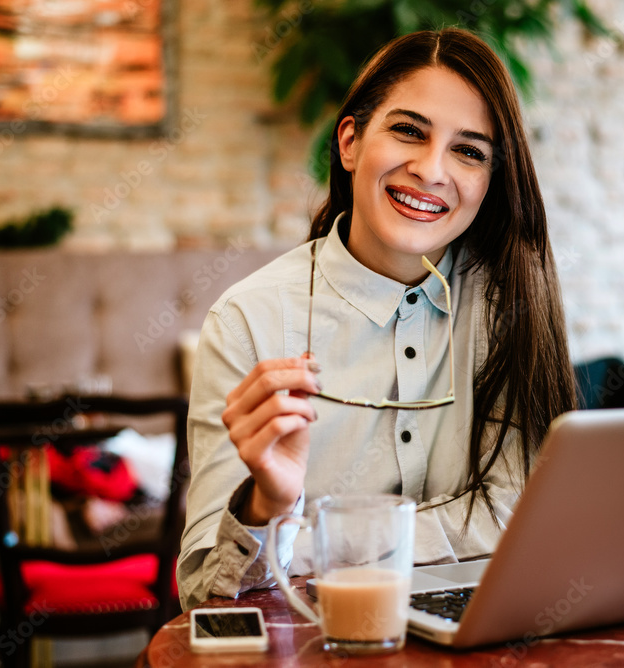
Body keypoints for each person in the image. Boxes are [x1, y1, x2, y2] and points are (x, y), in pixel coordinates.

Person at [177, 27, 576, 611]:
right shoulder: (248, 321)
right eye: (408, 131)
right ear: (349, 143)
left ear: (490, 181)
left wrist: (315, 542)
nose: (431, 170)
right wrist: (267, 506)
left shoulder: (508, 306)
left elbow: (522, 514)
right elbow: (203, 592)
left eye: (468, 151)